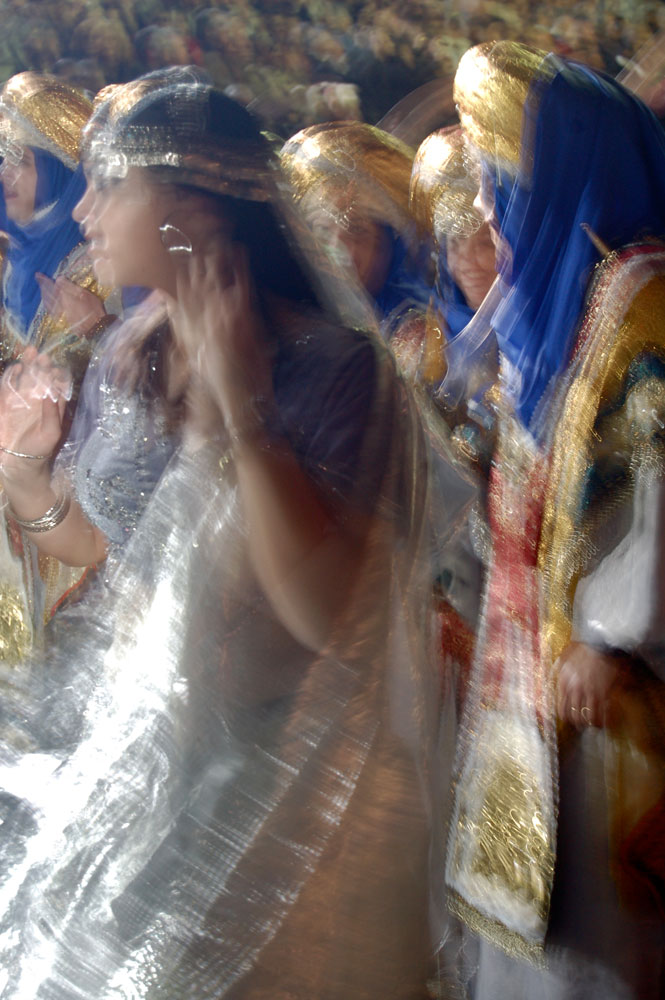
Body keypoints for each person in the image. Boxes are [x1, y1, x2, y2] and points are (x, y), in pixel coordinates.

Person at [0, 68, 439, 1000]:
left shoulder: (332, 368)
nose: (86, 214)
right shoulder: (131, 349)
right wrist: (30, 482)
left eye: (112, 184)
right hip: (137, 753)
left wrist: (241, 414)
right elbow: (124, 562)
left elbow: (321, 617)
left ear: (188, 210)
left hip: (263, 789)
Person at [444, 41, 665, 999]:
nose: (487, 208)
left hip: (602, 684)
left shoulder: (642, 301)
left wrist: (617, 632)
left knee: (594, 939)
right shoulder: (558, 307)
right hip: (530, 664)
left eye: (499, 178)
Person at [0, 72, 114, 664]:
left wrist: (96, 331)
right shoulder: (9, 260)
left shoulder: (107, 260)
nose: (6, 178)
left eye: (21, 160)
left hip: (79, 533)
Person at [280, 121, 432, 370]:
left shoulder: (424, 327)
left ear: (393, 237)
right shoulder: (304, 318)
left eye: (357, 230)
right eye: (323, 232)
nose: (343, 252)